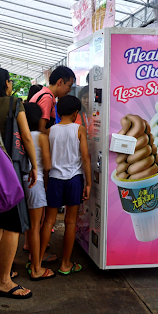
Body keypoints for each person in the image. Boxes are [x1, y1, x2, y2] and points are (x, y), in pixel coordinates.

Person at [0, 67, 38, 299]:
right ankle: (4, 280)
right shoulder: (15, 103)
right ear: (6, 83)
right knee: (13, 225)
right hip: (8, 170)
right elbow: (25, 136)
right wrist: (35, 165)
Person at [39, 95, 91, 276]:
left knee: (48, 221)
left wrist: (46, 182)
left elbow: (46, 159)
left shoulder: (50, 131)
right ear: (76, 113)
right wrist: (89, 183)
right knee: (70, 222)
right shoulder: (80, 129)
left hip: (54, 179)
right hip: (74, 179)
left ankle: (37, 264)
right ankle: (65, 264)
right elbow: (85, 157)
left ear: (58, 112)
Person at [22, 103, 56, 281]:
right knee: (36, 226)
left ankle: (29, 248)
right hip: (36, 182)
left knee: (27, 224)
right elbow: (48, 165)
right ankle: (36, 268)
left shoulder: (19, 135)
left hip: (20, 181)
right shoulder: (41, 137)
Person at [29, 66, 75, 134]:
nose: (69, 90)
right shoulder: (47, 98)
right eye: (69, 86)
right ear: (60, 82)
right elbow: (41, 129)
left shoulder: (44, 94)